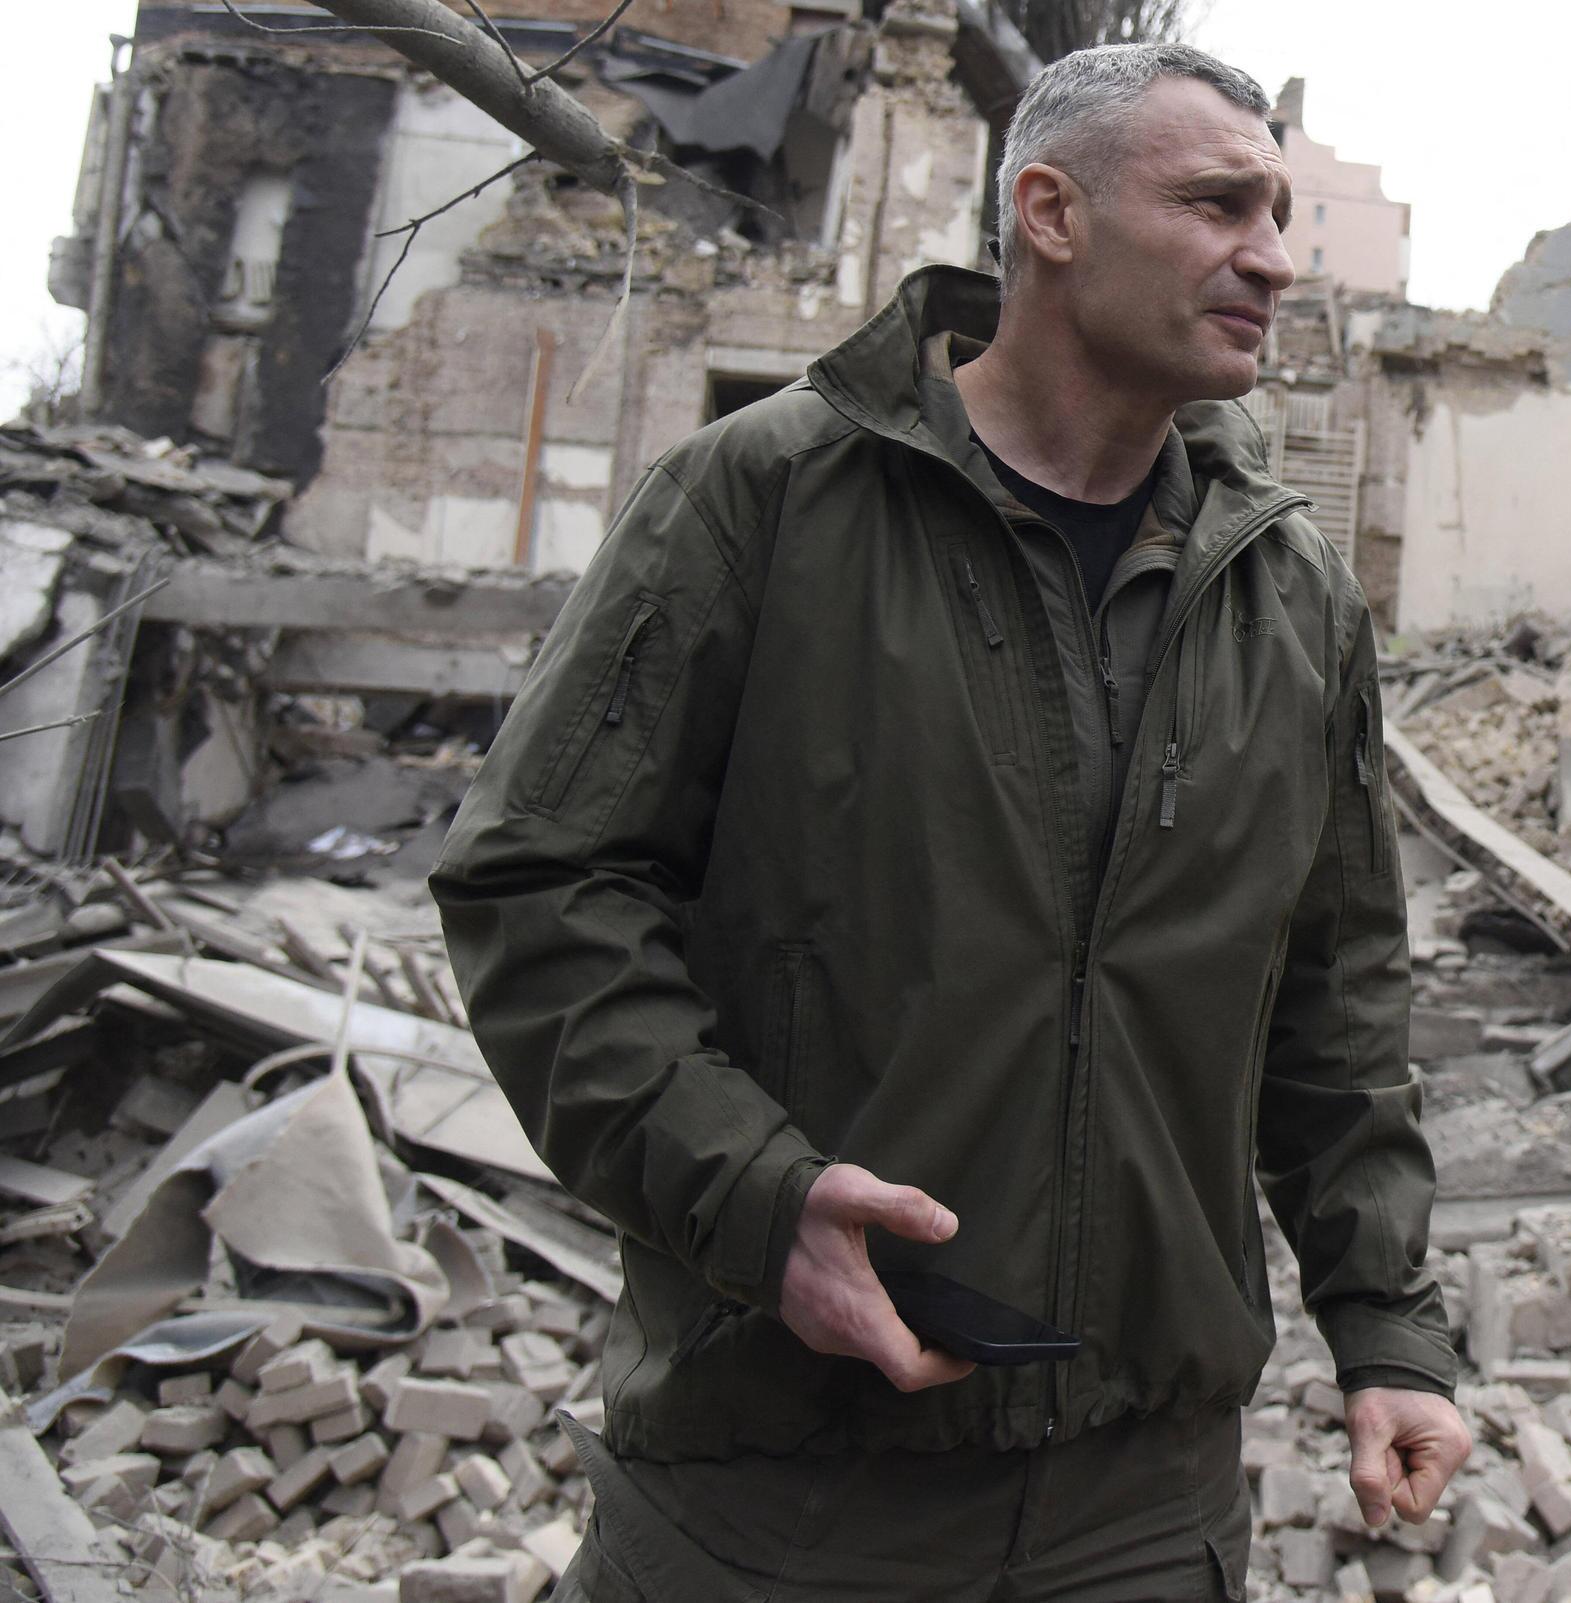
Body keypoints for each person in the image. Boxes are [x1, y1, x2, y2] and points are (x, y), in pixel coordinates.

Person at [432, 41, 1469, 1601]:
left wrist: (1384, 1327)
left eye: (1278, 213)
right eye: (1218, 205)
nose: (1272, 255)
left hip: (1143, 1517)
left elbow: (1336, 994)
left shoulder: (1292, 595)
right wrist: (755, 1201)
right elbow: (539, 884)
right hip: (779, 1503)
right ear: (1050, 213)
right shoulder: (763, 502)